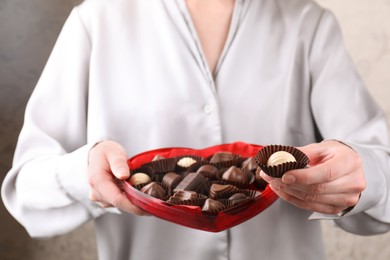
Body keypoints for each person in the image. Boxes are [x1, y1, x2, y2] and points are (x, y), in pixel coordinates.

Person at [2, 0, 390, 259]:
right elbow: (25, 192)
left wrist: (361, 174)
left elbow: (382, 178)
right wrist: (82, 172)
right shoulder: (96, 21)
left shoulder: (308, 23)